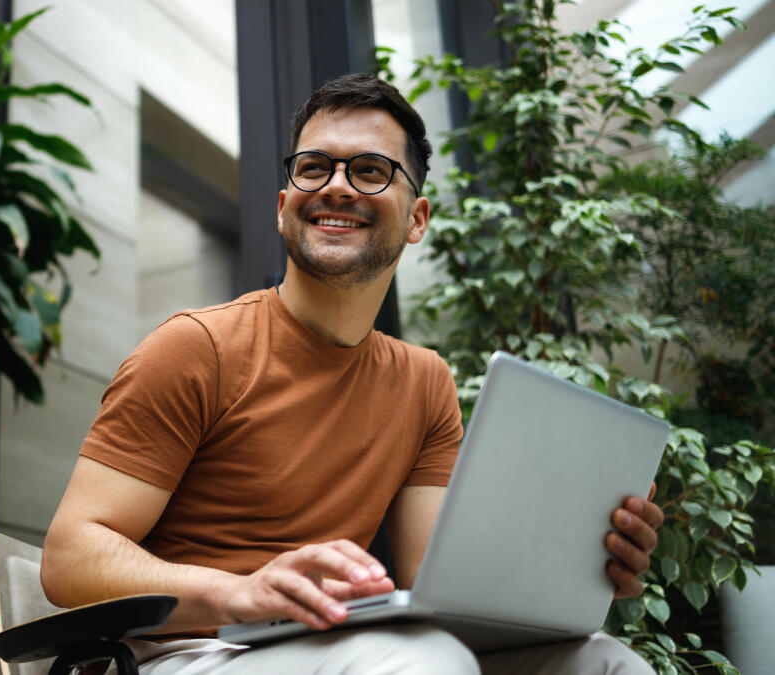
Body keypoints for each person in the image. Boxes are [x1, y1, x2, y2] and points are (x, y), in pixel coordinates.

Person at [40, 74, 663, 674]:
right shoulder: (196, 347)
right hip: (185, 653)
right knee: (424, 663)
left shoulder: (425, 383)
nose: (337, 186)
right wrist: (238, 592)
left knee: (604, 661)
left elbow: (433, 584)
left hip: (334, 646)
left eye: (370, 170)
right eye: (314, 167)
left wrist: (582, 565)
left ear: (417, 219)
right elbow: (68, 558)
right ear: (285, 208)